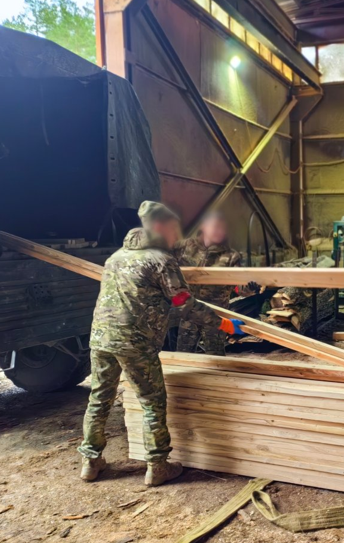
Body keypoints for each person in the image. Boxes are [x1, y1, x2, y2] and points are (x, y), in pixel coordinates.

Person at [78, 201, 246, 485]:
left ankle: (90, 461)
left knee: (98, 399)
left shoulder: (115, 257)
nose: (175, 235)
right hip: (136, 342)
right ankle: (157, 466)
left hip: (101, 339)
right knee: (152, 402)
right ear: (159, 227)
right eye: (171, 229)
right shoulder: (160, 260)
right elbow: (184, 303)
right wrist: (224, 323)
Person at [174, 211, 245, 356]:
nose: (220, 231)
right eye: (216, 226)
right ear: (203, 226)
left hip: (216, 315)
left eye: (223, 228)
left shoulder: (231, 256)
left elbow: (240, 287)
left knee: (216, 357)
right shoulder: (184, 247)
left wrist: (250, 287)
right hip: (189, 311)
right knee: (183, 356)